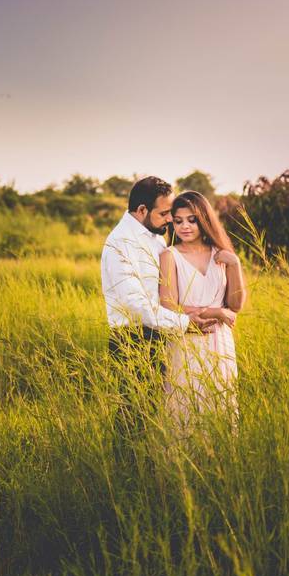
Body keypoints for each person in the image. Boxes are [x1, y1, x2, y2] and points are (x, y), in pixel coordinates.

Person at [100, 177, 216, 436]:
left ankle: (150, 471)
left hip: (159, 335)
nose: (169, 219)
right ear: (141, 211)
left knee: (155, 412)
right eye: (164, 213)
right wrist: (185, 323)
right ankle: (127, 472)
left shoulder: (155, 238)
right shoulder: (119, 243)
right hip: (132, 339)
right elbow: (136, 303)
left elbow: (162, 292)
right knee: (133, 415)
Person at [159, 191, 246, 432]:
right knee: (185, 407)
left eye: (192, 219)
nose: (184, 226)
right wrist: (215, 312)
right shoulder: (170, 255)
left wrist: (235, 264)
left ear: (204, 219)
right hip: (187, 340)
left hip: (220, 343)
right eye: (178, 221)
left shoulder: (221, 254)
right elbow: (169, 304)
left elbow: (236, 306)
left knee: (221, 406)